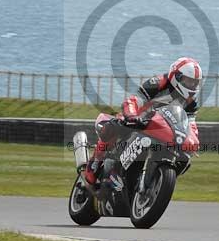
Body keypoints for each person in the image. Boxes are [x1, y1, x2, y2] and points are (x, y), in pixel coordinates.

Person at [82, 57, 202, 187]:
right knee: (113, 126)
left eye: (195, 83)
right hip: (138, 119)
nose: (192, 86)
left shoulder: (191, 102)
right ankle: (93, 165)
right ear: (176, 77)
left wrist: (193, 142)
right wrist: (131, 115)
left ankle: (154, 182)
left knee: (185, 158)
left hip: (161, 129)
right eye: (188, 81)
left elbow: (191, 126)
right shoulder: (158, 83)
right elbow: (134, 100)